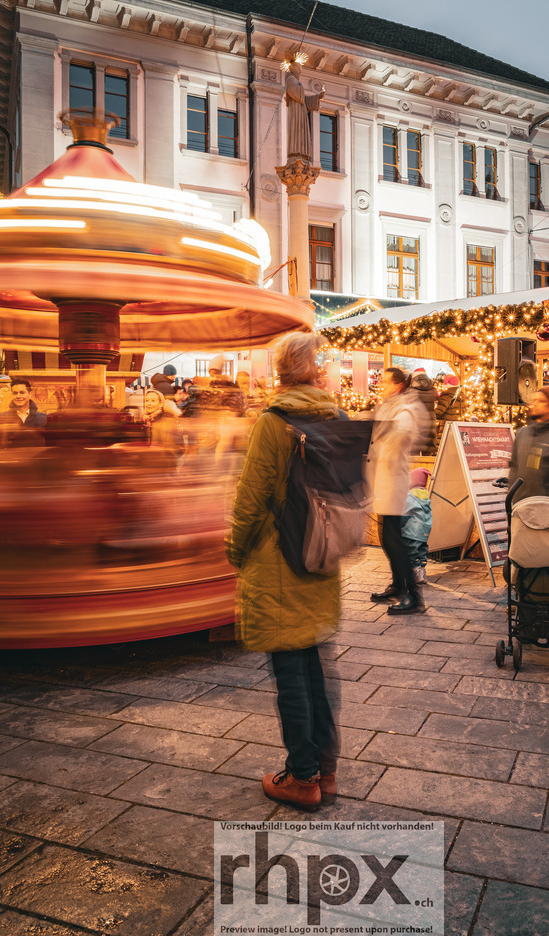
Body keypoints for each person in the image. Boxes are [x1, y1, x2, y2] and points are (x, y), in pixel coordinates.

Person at [225, 332, 342, 811]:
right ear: (316, 370)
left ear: (281, 369)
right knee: (315, 668)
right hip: (322, 554)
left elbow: (251, 498)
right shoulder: (336, 418)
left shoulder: (274, 422)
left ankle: (302, 777)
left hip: (278, 561)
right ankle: (325, 770)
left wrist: (235, 549)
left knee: (291, 672)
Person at [368, 367, 429, 615]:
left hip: (392, 478)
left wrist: (380, 438)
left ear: (398, 385)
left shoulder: (405, 408)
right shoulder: (389, 406)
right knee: (387, 535)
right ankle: (398, 586)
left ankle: (414, 595)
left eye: (385, 382)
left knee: (394, 539)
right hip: (383, 476)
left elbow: (401, 436)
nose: (381, 386)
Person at [508, 386, 549, 504]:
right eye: (534, 400)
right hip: (520, 504)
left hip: (548, 507)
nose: (535, 404)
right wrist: (512, 494)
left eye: (541, 401)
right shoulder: (522, 433)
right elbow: (514, 466)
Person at [284, 57, 325, 162]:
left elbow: (303, 100)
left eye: (300, 68)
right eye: (297, 67)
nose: (299, 70)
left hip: (301, 111)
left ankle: (302, 153)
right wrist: (300, 91)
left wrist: (317, 97)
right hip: (296, 111)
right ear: (292, 68)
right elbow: (292, 91)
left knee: (301, 131)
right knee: (297, 130)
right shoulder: (290, 79)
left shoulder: (296, 81)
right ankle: (296, 152)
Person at [402, 468, 433, 585]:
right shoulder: (425, 496)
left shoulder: (410, 496)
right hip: (424, 531)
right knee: (422, 551)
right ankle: (422, 572)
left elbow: (404, 513)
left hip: (412, 530)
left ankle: (416, 573)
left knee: (411, 552)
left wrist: (399, 525)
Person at [142, 389, 183, 458]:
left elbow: (176, 447)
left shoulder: (168, 420)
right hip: (149, 459)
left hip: (164, 460)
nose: (149, 403)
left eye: (153, 401)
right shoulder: (145, 419)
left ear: (160, 403)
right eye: (147, 400)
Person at [410, 369, 438, 454]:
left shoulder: (411, 390)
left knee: (414, 453)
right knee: (428, 452)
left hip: (416, 424)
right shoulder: (433, 389)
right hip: (429, 423)